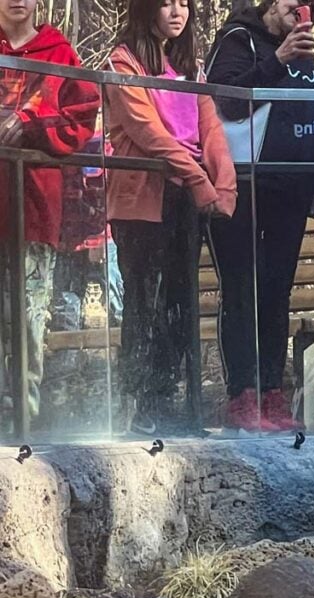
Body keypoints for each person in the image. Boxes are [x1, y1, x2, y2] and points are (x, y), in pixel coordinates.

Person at [106, 0, 237, 436]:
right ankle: (144, 402)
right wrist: (201, 180)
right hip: (143, 198)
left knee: (181, 300)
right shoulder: (123, 61)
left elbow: (211, 129)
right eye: (166, 4)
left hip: (186, 196)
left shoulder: (189, 68)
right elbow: (149, 133)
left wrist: (225, 183)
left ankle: (178, 398)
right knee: (146, 302)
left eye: (184, 4)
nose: (177, 12)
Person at [206, 0, 314, 433]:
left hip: (290, 189)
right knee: (242, 287)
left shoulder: (310, 54)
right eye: (292, 4)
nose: (300, 13)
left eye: (309, 8)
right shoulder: (237, 40)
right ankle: (241, 393)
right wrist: (277, 61)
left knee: (277, 289)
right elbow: (225, 102)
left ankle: (273, 391)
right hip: (240, 184)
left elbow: (310, 117)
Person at [0, 0, 99, 427]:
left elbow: (81, 118)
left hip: (35, 203)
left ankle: (22, 411)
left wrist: (32, 123)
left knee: (28, 313)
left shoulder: (59, 53)